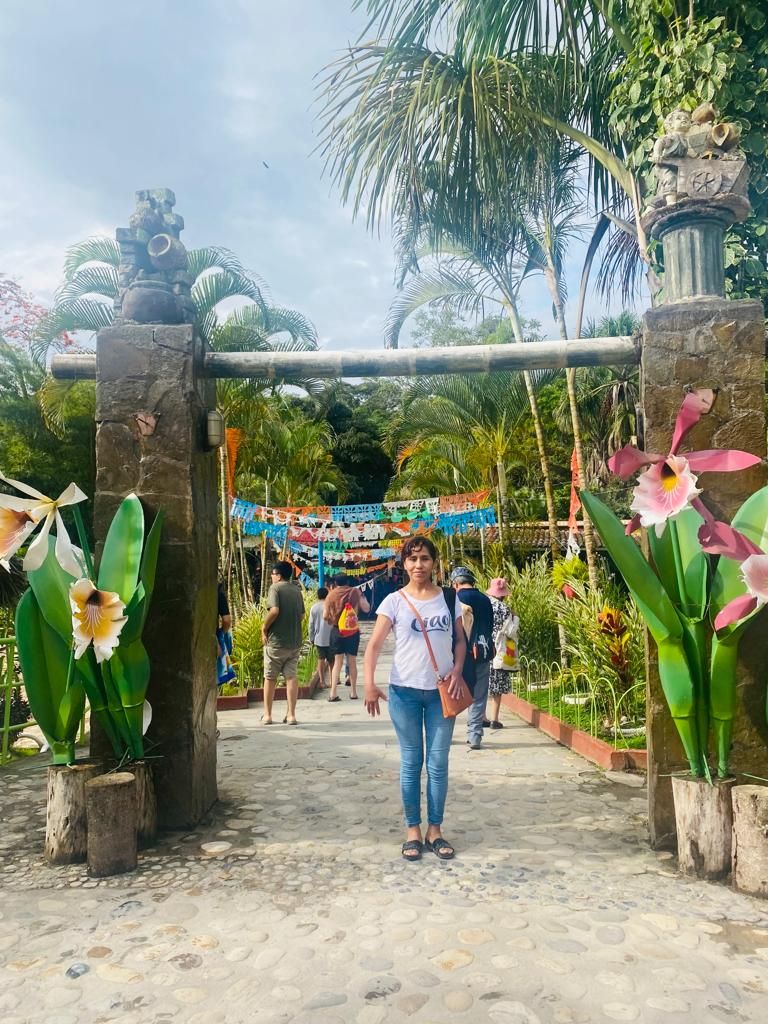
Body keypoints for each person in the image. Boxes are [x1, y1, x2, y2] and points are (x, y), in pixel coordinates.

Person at [363, 536, 467, 862]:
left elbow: (460, 640)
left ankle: (435, 829)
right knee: (411, 762)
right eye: (412, 559)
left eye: (424, 558)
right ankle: (413, 830)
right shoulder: (393, 601)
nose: (418, 564)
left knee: (438, 763)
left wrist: (458, 671)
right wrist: (369, 683)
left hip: (442, 693)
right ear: (404, 564)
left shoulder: (449, 598)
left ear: (433, 562)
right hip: (404, 692)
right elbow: (374, 645)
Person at [449, 566, 494, 751]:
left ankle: (445, 734)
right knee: (479, 695)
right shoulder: (485, 598)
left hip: (460, 655)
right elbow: (491, 626)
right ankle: (475, 736)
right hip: (483, 651)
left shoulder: (455, 598)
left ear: (456, 583)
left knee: (451, 694)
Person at [261, 560, 305, 726]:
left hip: (276, 642)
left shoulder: (275, 588)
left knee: (270, 677)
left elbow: (274, 610)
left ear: (278, 576)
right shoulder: (296, 590)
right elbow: (301, 615)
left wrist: (264, 628)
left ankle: (267, 715)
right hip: (294, 642)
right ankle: (291, 715)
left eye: (272, 574)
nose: (271, 577)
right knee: (291, 677)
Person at [324, 574, 370, 701]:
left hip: (337, 631)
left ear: (335, 583)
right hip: (352, 631)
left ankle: (333, 693)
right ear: (348, 582)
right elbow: (366, 608)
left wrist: (333, 619)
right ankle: (353, 692)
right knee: (352, 662)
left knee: (337, 662)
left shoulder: (331, 595)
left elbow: (325, 616)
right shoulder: (355, 592)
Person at [485, 577, 519, 729]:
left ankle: (482, 717)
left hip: (485, 647)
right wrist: (515, 618)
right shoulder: (505, 609)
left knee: (483, 683)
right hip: (500, 650)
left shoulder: (484, 604)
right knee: (497, 685)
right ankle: (494, 719)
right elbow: (511, 631)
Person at [308, 586, 333, 689]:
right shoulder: (331, 606)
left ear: (318, 596)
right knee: (332, 661)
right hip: (331, 638)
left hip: (319, 638)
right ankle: (332, 681)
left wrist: (311, 638)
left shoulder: (314, 607)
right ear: (327, 595)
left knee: (321, 660)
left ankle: (322, 681)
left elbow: (311, 624)